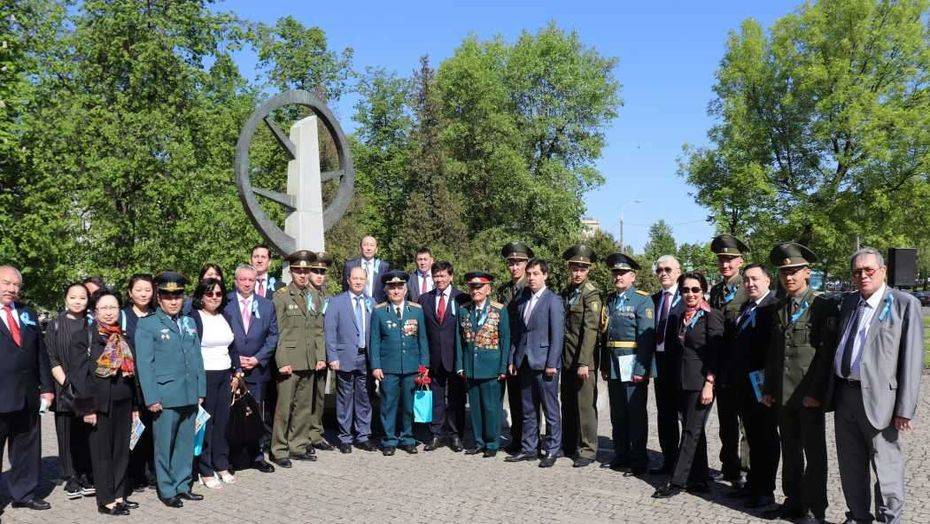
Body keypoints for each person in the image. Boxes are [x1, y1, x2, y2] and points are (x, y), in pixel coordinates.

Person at [826, 247, 923, 524]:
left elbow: (912, 359)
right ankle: (858, 516)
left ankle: (890, 519)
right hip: (846, 397)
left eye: (869, 270)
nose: (863, 275)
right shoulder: (848, 302)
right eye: (857, 271)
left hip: (883, 402)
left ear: (883, 271)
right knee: (851, 466)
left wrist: (904, 408)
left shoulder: (904, 303)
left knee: (886, 467)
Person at [761, 243, 832, 524]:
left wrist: (817, 394)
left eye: (794, 271)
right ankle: (794, 502)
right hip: (783, 394)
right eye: (784, 273)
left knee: (814, 455)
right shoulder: (780, 307)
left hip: (808, 396)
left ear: (807, 273)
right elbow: (773, 354)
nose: (788, 277)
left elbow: (826, 355)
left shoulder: (822, 306)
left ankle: (816, 508)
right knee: (790, 451)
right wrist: (768, 388)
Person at [134, 272, 206, 508]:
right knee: (164, 446)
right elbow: (145, 365)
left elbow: (197, 358)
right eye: (168, 296)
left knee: (185, 445)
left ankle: (183, 485)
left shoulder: (189, 322)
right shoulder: (148, 324)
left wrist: (200, 389)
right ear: (159, 297)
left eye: (178, 296)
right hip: (165, 396)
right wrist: (151, 397)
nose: (174, 301)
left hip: (189, 393)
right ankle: (167, 489)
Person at [653, 272, 722, 499]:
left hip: (701, 383)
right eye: (685, 290)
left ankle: (677, 481)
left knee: (691, 432)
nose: (690, 294)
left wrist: (709, 383)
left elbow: (715, 353)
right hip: (681, 383)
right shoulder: (679, 316)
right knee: (695, 431)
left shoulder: (711, 317)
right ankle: (699, 478)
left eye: (695, 290)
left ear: (703, 291)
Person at [72, 288, 139, 516]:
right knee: (102, 453)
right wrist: (87, 408)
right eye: (104, 308)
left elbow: (133, 375)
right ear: (95, 311)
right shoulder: (85, 337)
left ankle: (119, 495)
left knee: (121, 451)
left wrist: (136, 406)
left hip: (124, 402)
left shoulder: (123, 337)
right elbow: (79, 377)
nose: (109, 312)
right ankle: (106, 499)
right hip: (99, 405)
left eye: (113, 307)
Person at [0, 265, 54, 511]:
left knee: (26, 449)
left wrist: (47, 388)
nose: (11, 289)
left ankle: (25, 494)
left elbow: (40, 354)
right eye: (6, 283)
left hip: (28, 396)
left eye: (16, 285)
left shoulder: (28, 313)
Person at [269, 251, 331, 467]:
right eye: (298, 271)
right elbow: (277, 332)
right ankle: (279, 449)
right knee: (284, 408)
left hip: (310, 360)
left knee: (304, 407)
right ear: (291, 272)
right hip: (289, 361)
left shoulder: (314, 296)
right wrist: (282, 361)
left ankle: (298, 445)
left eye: (306, 271)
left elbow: (318, 330)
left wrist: (320, 356)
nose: (303, 275)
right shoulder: (281, 296)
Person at [504, 258, 565, 468]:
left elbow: (557, 336)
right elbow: (519, 333)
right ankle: (529, 448)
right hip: (524, 363)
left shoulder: (553, 300)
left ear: (545, 275)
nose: (531, 278)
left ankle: (552, 449)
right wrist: (513, 358)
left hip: (544, 364)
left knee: (550, 410)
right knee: (528, 410)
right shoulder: (522, 300)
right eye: (529, 274)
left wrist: (552, 363)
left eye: (536, 273)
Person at [598, 253, 655, 475]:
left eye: (622, 273)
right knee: (618, 413)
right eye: (615, 273)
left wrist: (641, 369)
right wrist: (604, 364)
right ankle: (621, 454)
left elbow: (646, 338)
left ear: (633, 276)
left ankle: (639, 459)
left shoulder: (642, 300)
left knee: (635, 413)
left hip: (632, 362)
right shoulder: (611, 300)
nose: (618, 276)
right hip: (613, 362)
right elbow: (606, 337)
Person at [728, 264, 779, 508]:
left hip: (764, 387)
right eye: (746, 280)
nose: (750, 284)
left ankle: (765, 490)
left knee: (766, 439)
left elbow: (774, 351)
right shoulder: (747, 306)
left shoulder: (773, 307)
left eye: (755, 279)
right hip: (745, 386)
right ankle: (752, 484)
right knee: (752, 437)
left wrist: (769, 387)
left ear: (768, 280)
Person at [222, 263, 279, 472]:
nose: (247, 283)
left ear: (256, 281)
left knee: (256, 415)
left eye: (251, 280)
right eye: (243, 279)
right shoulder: (225, 302)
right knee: (230, 415)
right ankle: (229, 458)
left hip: (257, 369)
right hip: (230, 369)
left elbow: (273, 336)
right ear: (236, 281)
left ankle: (257, 455)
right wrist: (235, 361)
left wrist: (257, 358)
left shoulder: (266, 305)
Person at [370, 270, 429, 455]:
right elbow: (374, 341)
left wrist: (424, 366)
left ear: (405, 290)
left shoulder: (416, 310)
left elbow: (423, 340)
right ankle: (389, 440)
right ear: (386, 290)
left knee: (409, 405)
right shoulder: (379, 311)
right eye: (392, 288)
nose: (396, 291)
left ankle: (408, 438)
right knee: (388, 405)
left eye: (399, 287)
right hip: (388, 367)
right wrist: (376, 366)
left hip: (412, 367)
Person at [44, 282, 94, 499]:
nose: (78, 301)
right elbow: (51, 358)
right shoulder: (56, 324)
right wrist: (68, 384)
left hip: (86, 388)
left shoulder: (91, 323)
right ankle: (70, 476)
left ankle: (84, 473)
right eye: (73, 297)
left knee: (85, 432)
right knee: (65, 433)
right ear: (66, 299)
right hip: (64, 387)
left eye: (82, 297)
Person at [190, 277, 239, 488]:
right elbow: (191, 350)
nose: (214, 298)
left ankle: (221, 463)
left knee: (222, 423)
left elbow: (233, 346)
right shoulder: (193, 317)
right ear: (201, 296)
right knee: (206, 425)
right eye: (210, 293)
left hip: (224, 375)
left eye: (218, 294)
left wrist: (237, 372)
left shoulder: (225, 316)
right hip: (205, 375)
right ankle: (205, 468)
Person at [709, 234, 749, 486]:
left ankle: (746, 471)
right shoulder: (715, 291)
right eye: (722, 259)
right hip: (722, 367)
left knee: (745, 424)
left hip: (743, 367)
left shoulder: (748, 288)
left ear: (740, 261)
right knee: (726, 422)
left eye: (730, 260)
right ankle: (730, 466)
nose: (725, 264)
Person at [455, 272, 509, 457]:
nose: (475, 291)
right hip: (471, 367)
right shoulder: (464, 310)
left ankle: (492, 443)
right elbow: (459, 341)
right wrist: (460, 365)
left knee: (491, 407)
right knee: (476, 408)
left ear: (489, 289)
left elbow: (505, 341)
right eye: (472, 287)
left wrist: (503, 367)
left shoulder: (499, 310)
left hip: (492, 368)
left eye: (479, 287)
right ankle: (478, 442)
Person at [559, 245, 602, 468]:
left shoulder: (591, 294)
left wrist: (584, 361)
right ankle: (568, 445)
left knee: (585, 406)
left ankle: (588, 449)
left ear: (588, 271)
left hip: (583, 361)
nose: (577, 273)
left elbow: (590, 330)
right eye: (575, 268)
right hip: (566, 358)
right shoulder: (567, 292)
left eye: (582, 269)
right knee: (567, 403)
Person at [325, 266, 376, 453]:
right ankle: (345, 437)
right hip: (344, 357)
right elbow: (330, 332)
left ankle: (363, 435)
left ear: (366, 281)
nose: (358, 282)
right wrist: (332, 356)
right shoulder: (336, 302)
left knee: (364, 398)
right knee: (344, 398)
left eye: (361, 279)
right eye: (355, 278)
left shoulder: (372, 302)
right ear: (348, 279)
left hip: (366, 357)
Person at [419, 261, 466, 452]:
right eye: (436, 276)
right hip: (434, 358)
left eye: (443, 275)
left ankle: (455, 435)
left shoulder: (461, 298)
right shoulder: (424, 299)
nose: (439, 279)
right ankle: (436, 434)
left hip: (456, 358)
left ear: (451, 276)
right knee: (436, 398)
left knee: (457, 399)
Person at [122, 273, 158, 491]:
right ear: (130, 293)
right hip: (130, 381)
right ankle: (135, 474)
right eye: (139, 290)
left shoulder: (156, 315)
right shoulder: (123, 316)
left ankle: (153, 473)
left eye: (147, 290)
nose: (143, 294)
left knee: (153, 427)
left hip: (152, 380)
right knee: (135, 428)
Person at [497, 241, 533, 453]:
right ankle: (517, 438)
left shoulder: (531, 289)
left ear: (526, 264)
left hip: (526, 351)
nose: (514, 267)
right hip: (509, 349)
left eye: (519, 263)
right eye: (511, 263)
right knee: (515, 397)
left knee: (528, 400)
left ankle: (531, 440)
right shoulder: (504, 290)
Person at [650, 255, 682, 475]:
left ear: (678, 271)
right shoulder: (652, 300)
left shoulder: (688, 295)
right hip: (660, 364)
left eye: (668, 269)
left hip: (681, 365)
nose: (663, 273)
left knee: (687, 417)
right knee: (665, 414)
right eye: (659, 270)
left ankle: (689, 465)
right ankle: (668, 459)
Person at [343, 236, 391, 303]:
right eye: (365, 245)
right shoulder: (350, 265)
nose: (368, 248)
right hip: (355, 306)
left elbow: (387, 289)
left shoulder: (383, 266)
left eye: (372, 245)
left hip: (377, 307)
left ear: (376, 249)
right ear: (360, 248)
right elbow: (345, 288)